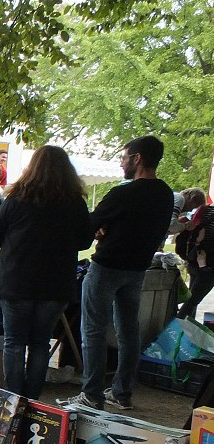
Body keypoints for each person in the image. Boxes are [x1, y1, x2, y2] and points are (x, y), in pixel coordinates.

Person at [61, 135, 175, 411]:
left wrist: (102, 232)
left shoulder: (122, 194)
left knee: (94, 331)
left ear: (137, 159)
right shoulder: (165, 193)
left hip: (107, 266)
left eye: (124, 157)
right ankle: (122, 391)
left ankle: (91, 394)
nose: (122, 163)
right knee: (129, 331)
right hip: (137, 269)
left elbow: (89, 225)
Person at [0, 145, 91, 399]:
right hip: (55, 283)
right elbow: (85, 241)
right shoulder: (74, 202)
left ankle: (13, 398)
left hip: (16, 280)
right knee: (41, 342)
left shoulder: (17, 199)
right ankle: (32, 397)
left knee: (14, 341)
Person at [176, 188, 214, 320]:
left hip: (194, 260)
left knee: (191, 301)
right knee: (191, 302)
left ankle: (183, 332)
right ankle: (177, 333)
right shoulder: (207, 212)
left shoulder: (205, 211)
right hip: (207, 268)